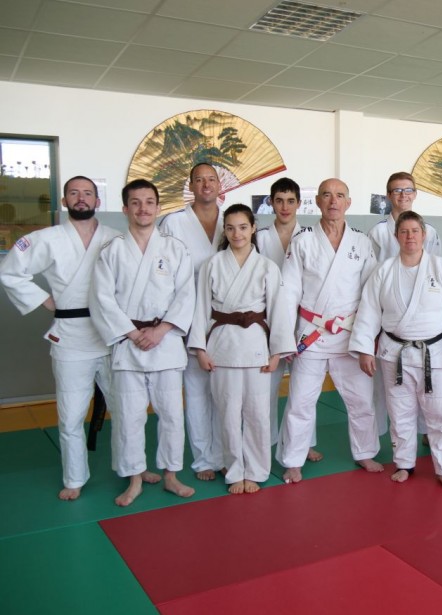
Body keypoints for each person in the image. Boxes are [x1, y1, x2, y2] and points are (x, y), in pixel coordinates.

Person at [0, 176, 119, 500]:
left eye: (88, 194)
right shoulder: (47, 238)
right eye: (74, 194)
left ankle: (132, 467)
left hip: (111, 334)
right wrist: (44, 299)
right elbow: (9, 271)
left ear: (98, 201)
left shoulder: (115, 238)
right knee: (70, 415)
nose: (81, 199)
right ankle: (75, 478)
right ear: (64, 201)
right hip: (69, 335)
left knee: (126, 408)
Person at [351, 211, 442, 491]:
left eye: (415, 231)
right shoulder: (382, 271)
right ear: (396, 236)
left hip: (438, 352)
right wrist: (364, 349)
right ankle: (404, 464)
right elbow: (369, 311)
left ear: (425, 235)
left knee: (441, 415)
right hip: (394, 353)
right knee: (400, 412)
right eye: (404, 232)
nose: (410, 237)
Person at [90, 179, 195, 506]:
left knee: (171, 414)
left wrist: (162, 329)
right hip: (128, 343)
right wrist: (133, 333)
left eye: (149, 202)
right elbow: (101, 299)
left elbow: (186, 295)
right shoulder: (112, 251)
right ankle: (135, 477)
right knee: (129, 416)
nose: (143, 208)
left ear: (158, 207)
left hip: (165, 342)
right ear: (125, 209)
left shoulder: (176, 249)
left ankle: (170, 475)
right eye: (135, 203)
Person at [277, 178, 383, 483]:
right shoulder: (303, 241)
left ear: (348, 203)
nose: (333, 201)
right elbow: (288, 292)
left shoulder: (362, 243)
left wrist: (366, 340)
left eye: (339, 196)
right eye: (326, 195)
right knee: (300, 401)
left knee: (361, 400)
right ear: (318, 202)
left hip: (349, 334)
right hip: (310, 333)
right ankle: (293, 459)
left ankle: (365, 452)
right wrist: (285, 338)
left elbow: (371, 296)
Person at [188, 204, 294, 494]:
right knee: (227, 413)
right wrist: (200, 349)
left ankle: (257, 469)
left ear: (253, 229)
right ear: (225, 230)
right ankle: (234, 469)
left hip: (256, 346)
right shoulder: (212, 264)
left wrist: (276, 353)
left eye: (243, 227)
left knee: (258, 413)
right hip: (221, 347)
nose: (237, 233)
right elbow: (200, 308)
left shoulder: (266, 266)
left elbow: (278, 312)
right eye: (231, 227)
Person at [159, 162, 224, 481]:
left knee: (225, 393)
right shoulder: (173, 222)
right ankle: (203, 459)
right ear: (191, 185)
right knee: (196, 392)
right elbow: (162, 275)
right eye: (199, 180)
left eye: (211, 179)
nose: (206, 185)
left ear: (219, 184)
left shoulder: (233, 220)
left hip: (226, 320)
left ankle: (225, 454)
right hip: (187, 317)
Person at [368, 171, 442, 438]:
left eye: (407, 190)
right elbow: (370, 275)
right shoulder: (377, 232)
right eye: (397, 191)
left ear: (415, 193)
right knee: (385, 384)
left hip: (423, 317)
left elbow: (438, 274)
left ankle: (424, 431)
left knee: (425, 378)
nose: (403, 195)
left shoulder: (430, 231)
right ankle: (381, 433)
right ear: (388, 196)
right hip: (389, 313)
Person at [255, 177, 322, 462]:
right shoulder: (258, 237)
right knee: (267, 386)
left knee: (305, 387)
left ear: (299, 203)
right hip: (267, 321)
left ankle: (303, 443)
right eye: (279, 200)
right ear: (270, 202)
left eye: (290, 201)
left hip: (303, 321)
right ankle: (266, 441)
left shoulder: (310, 236)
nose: (284, 206)